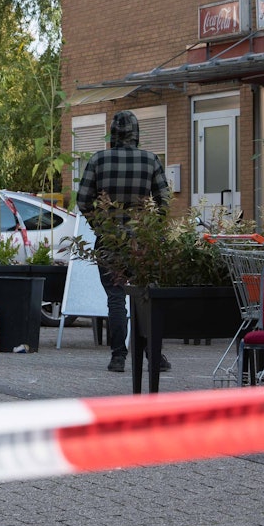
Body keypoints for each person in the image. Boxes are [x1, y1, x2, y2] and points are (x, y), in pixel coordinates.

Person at [76, 110, 171, 373]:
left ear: (113, 134)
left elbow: (83, 200)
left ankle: (118, 357)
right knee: (145, 298)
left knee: (116, 299)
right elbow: (164, 200)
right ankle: (154, 355)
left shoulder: (98, 160)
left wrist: (100, 226)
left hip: (110, 242)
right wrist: (151, 228)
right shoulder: (151, 160)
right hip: (143, 243)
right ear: (137, 134)